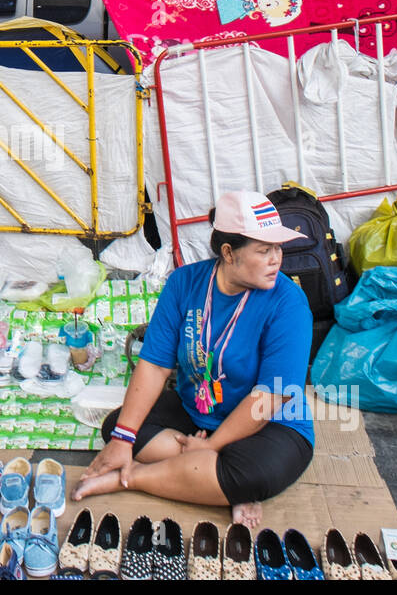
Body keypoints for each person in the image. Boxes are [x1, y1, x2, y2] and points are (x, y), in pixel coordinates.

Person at [72, 190, 315, 528]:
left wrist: (212, 446)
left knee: (252, 473)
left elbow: (269, 397)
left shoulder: (289, 303)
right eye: (264, 250)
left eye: (277, 248)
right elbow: (155, 364)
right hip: (199, 411)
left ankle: (132, 478)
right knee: (117, 427)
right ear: (229, 252)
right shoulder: (185, 283)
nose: (277, 259)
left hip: (269, 423)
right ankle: (207, 478)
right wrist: (124, 439)